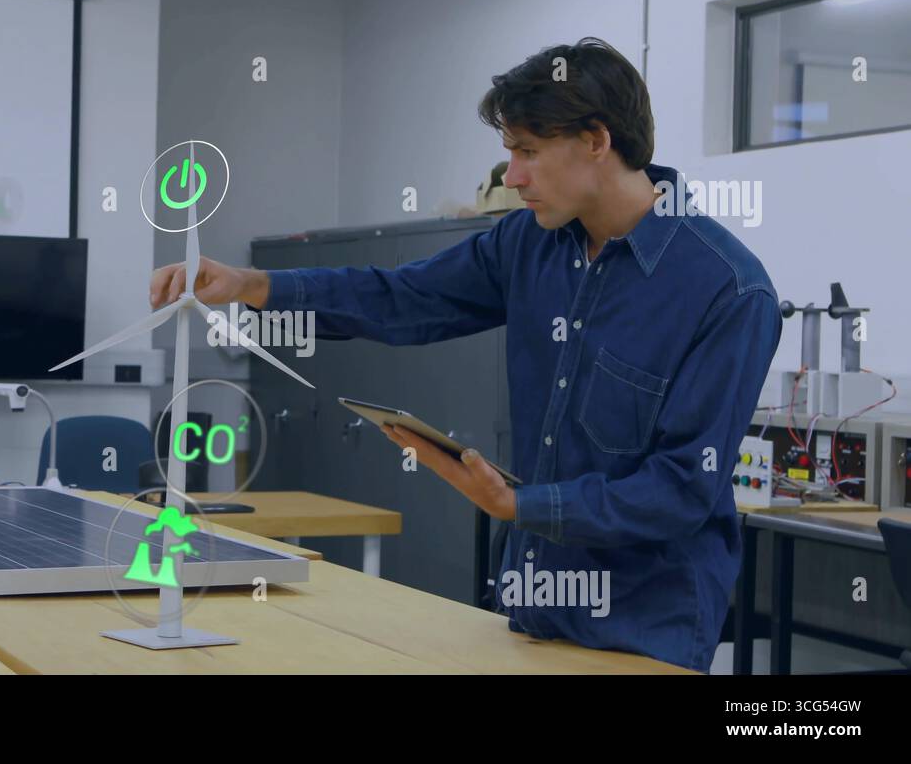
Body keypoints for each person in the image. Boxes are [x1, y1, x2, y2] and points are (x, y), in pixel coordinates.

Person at [148, 37, 781, 672]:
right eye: (510, 153)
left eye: (528, 151)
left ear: (596, 139)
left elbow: (680, 489)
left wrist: (520, 505)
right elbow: (404, 297)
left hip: (647, 630)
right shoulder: (527, 245)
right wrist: (256, 286)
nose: (512, 177)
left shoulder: (728, 290)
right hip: (533, 611)